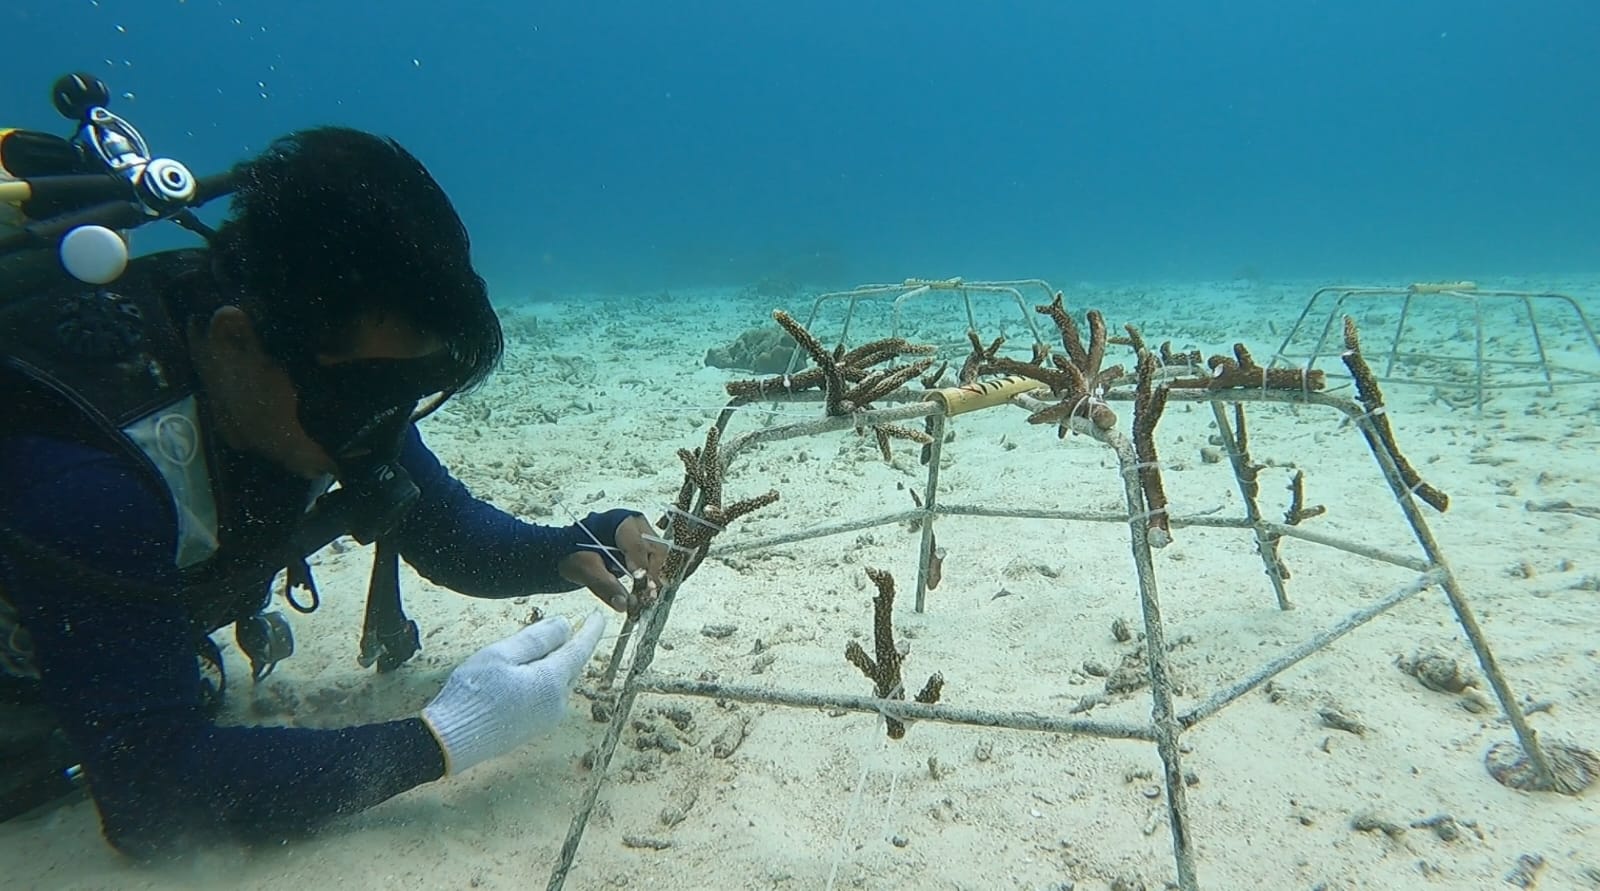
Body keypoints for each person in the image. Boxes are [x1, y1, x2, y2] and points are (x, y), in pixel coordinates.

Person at [0, 126, 666, 857]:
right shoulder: (88, 472)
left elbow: (452, 537)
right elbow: (152, 792)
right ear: (235, 341)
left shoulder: (324, 395)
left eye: (410, 390)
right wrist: (440, 738)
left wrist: (582, 541)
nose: (386, 427)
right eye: (369, 393)